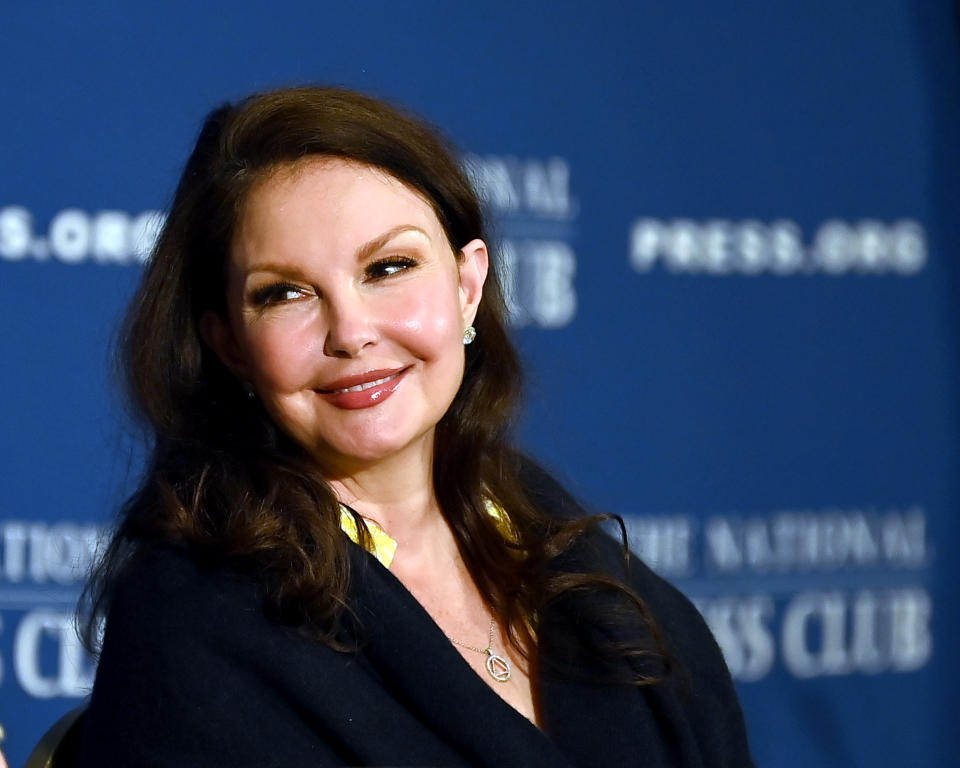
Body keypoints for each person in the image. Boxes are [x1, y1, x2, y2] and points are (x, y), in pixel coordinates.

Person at [77, 86, 753, 767]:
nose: (351, 332)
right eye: (285, 293)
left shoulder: (567, 548)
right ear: (229, 346)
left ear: (467, 287)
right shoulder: (192, 619)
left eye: (389, 267)